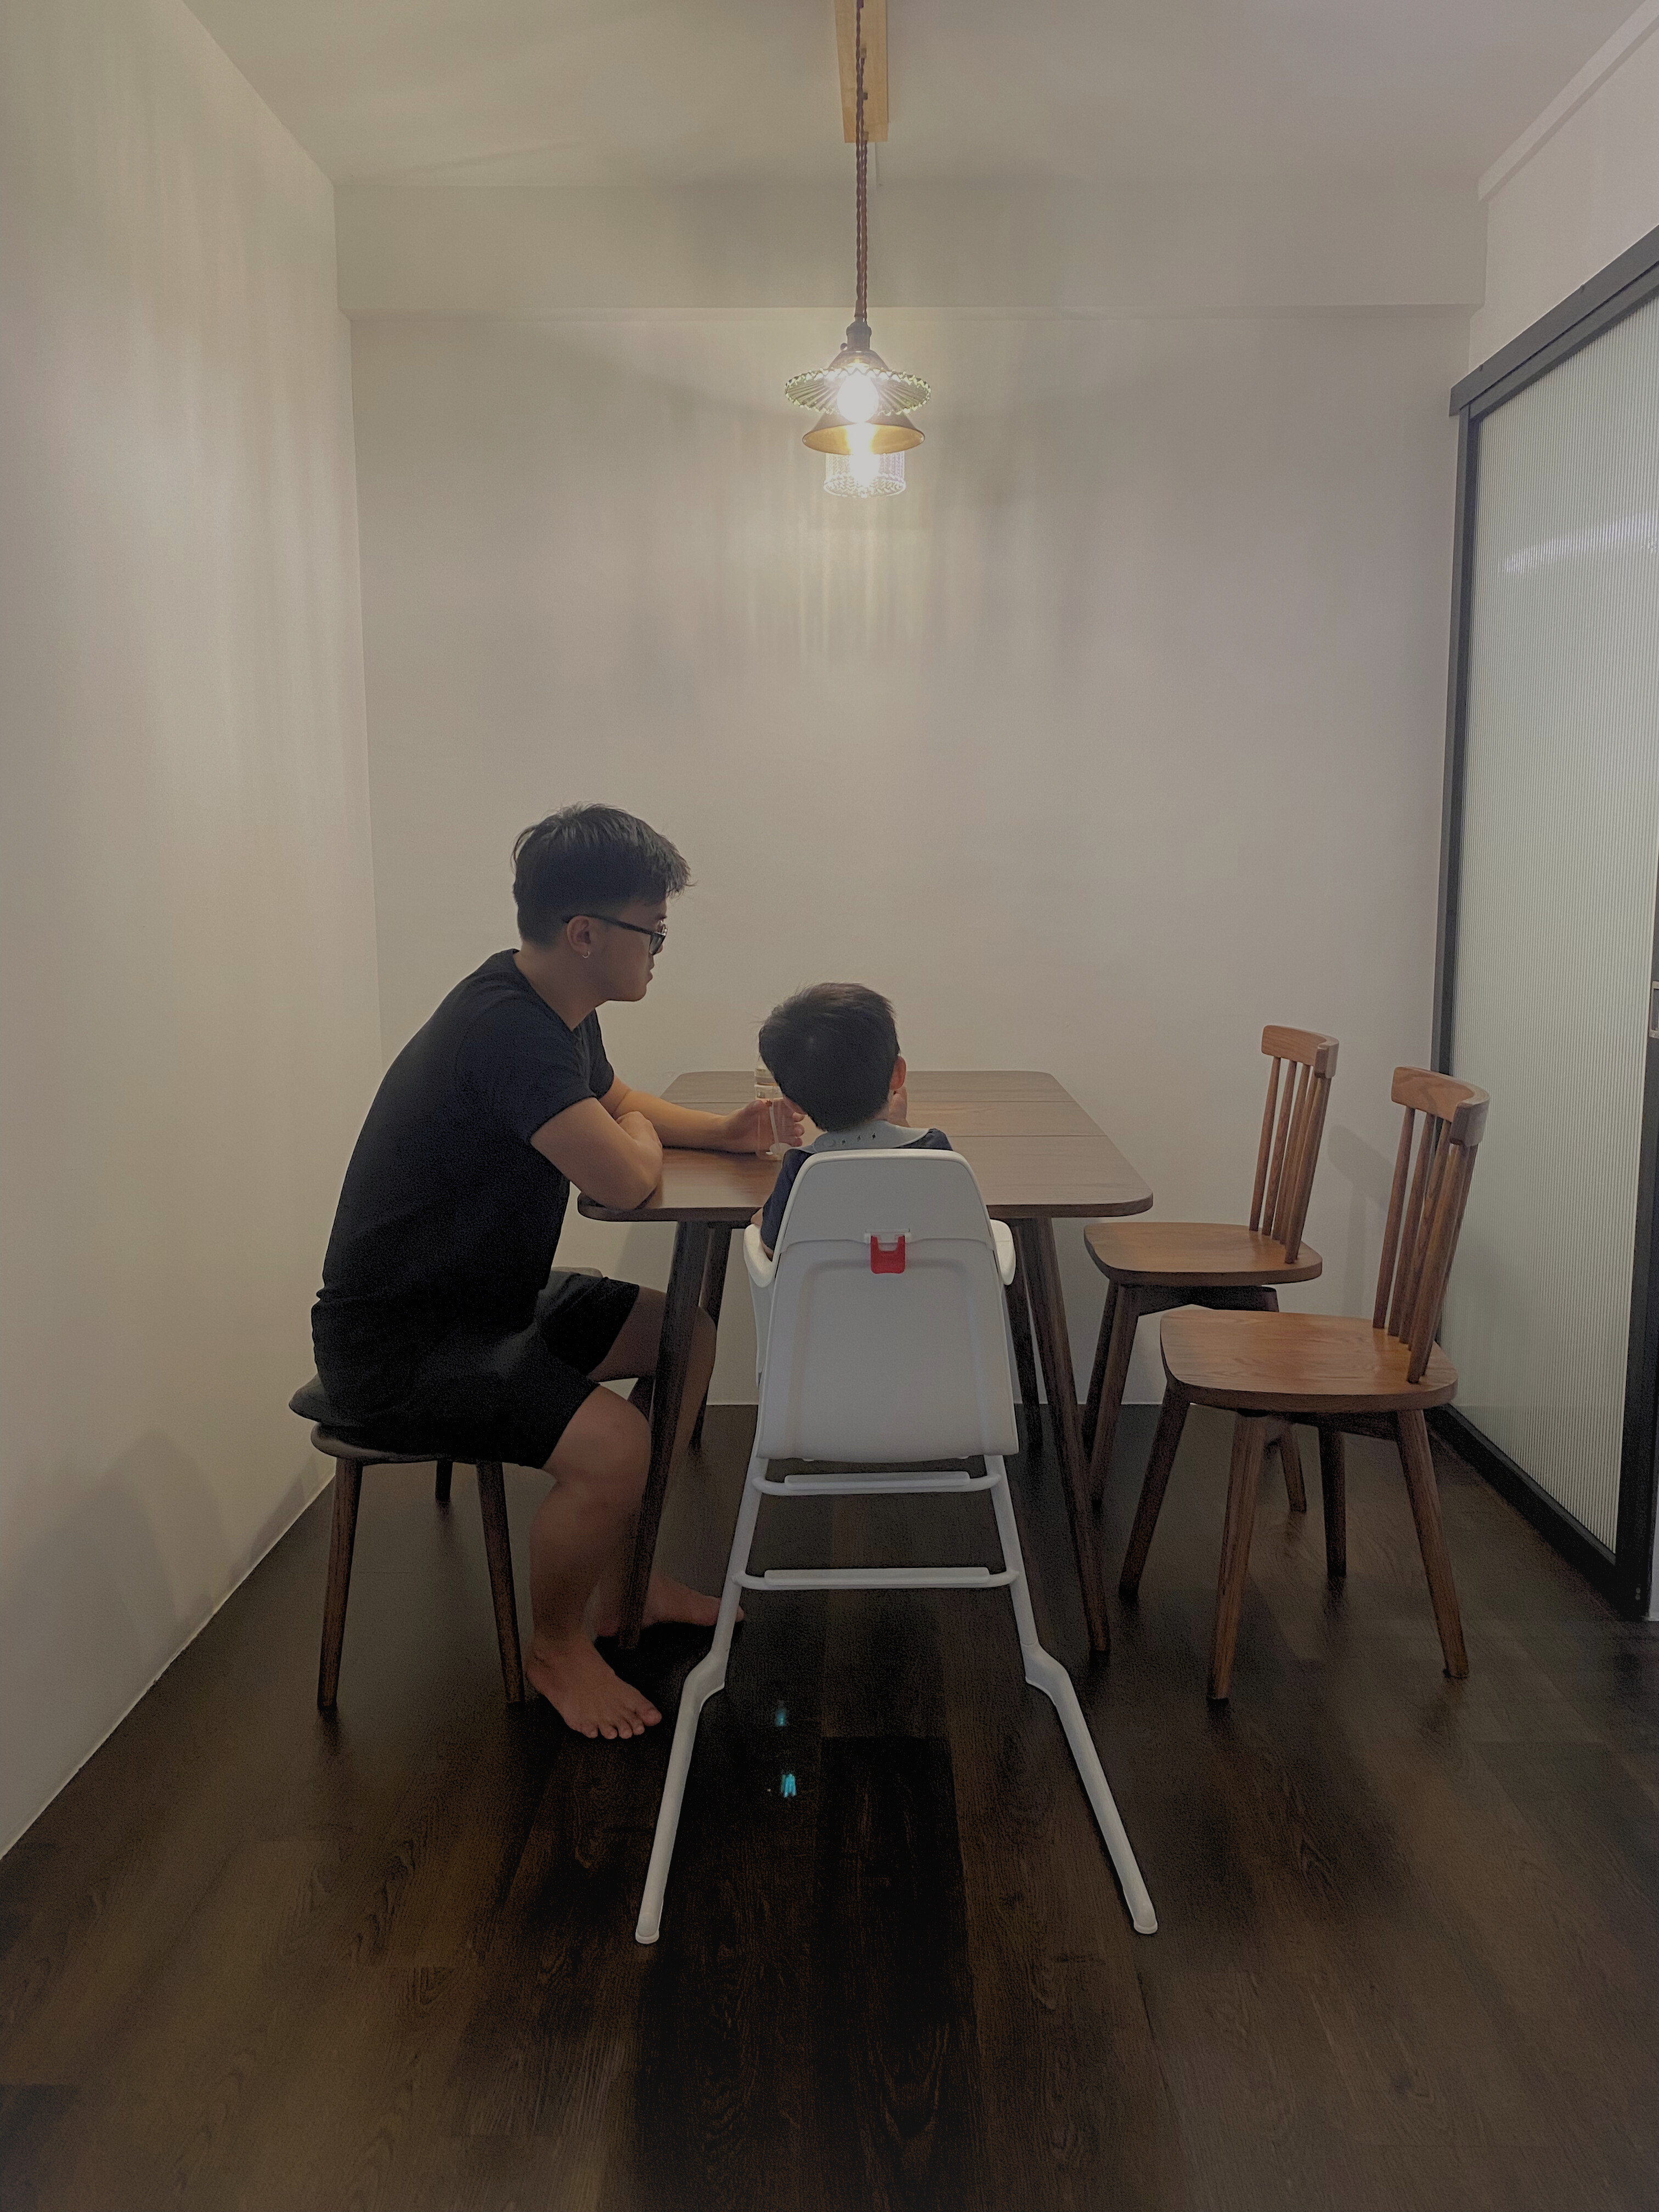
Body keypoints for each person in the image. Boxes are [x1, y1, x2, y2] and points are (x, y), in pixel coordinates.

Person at [312, 804, 797, 1742]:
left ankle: (627, 1575)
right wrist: (648, 1138)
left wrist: (717, 1130)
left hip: (485, 1305)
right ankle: (556, 1647)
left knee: (684, 1337)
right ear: (585, 934)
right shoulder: (506, 1032)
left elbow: (615, 1104)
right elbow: (619, 1169)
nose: (659, 951)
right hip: (398, 1345)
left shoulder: (550, 1007)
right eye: (651, 933)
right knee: (612, 1443)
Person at [754, 983, 951, 1256]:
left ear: (792, 1102)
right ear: (898, 1074)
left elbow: (770, 1247)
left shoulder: (802, 1167)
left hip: (827, 1300)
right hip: (930, 1299)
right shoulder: (936, 1152)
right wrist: (899, 1126)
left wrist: (761, 1219)